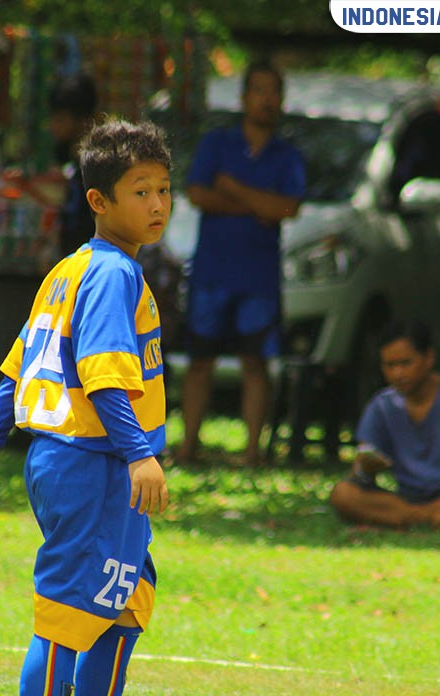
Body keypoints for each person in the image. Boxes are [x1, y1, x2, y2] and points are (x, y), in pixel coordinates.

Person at [0, 119, 171, 696]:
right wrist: (141, 454)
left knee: (126, 601)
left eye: (164, 189)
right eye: (140, 191)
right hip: (93, 462)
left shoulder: (67, 271)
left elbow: (20, 372)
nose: (157, 204)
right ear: (99, 201)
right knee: (68, 613)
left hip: (77, 463)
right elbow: (104, 377)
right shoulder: (114, 273)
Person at [178, 59, 306, 466]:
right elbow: (198, 194)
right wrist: (258, 204)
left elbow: (286, 207)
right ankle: (188, 445)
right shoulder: (217, 143)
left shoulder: (288, 156)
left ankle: (252, 451)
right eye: (259, 90)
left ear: (282, 100)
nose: (267, 100)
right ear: (244, 97)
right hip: (212, 271)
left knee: (256, 362)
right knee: (200, 361)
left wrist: (232, 188)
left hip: (259, 277)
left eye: (274, 92)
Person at [328, 320, 440, 534]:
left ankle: (408, 522)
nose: (397, 374)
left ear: (429, 358)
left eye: (405, 363)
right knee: (343, 494)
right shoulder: (382, 405)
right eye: (389, 366)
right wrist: (365, 468)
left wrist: (437, 507)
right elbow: (361, 465)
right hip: (407, 500)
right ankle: (427, 522)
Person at [48, 72, 98, 259]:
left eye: (60, 119)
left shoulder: (96, 170)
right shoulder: (69, 165)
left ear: (83, 121)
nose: (53, 126)